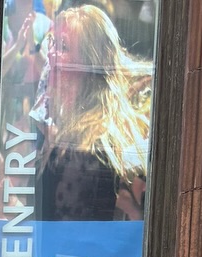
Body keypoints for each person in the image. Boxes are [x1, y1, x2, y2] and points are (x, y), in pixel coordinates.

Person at [34, 3, 151, 222]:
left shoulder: (85, 147)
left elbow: (69, 232)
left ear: (88, 63)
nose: (50, 54)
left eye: (63, 46)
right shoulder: (75, 132)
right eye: (52, 42)